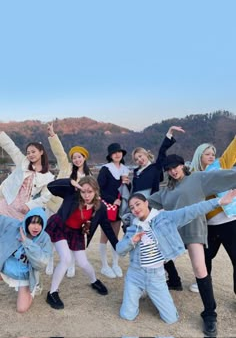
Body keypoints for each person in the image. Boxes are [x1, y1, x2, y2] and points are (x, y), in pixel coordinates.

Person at [116, 190, 236, 330]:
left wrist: (218, 202)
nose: (135, 209)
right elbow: (119, 249)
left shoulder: (164, 217)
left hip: (156, 276)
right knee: (127, 315)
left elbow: (191, 210)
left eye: (138, 204)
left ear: (146, 203)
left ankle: (148, 292)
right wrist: (131, 241)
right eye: (132, 207)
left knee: (170, 318)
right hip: (135, 275)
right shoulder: (133, 228)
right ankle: (139, 291)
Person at [148, 153, 236, 337]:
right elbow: (142, 203)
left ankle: (210, 314)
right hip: (173, 233)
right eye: (169, 169)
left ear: (182, 165)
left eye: (176, 167)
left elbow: (225, 177)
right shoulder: (165, 191)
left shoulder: (197, 178)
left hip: (193, 229)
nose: (173, 171)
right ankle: (163, 290)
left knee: (199, 268)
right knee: (153, 255)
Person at [45, 175, 118, 309]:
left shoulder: (100, 207)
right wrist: (69, 182)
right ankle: (52, 292)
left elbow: (106, 227)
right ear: (79, 190)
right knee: (66, 259)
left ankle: (94, 281)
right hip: (60, 227)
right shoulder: (71, 195)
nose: (86, 195)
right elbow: (51, 187)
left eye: (90, 191)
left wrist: (117, 246)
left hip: (76, 233)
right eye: (83, 191)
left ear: (96, 191)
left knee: (83, 263)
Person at [130, 126, 185, 291]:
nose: (139, 160)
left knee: (158, 244)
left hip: (152, 209)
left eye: (140, 156)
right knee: (144, 244)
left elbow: (162, 153)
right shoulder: (136, 173)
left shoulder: (154, 168)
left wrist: (168, 134)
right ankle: (157, 278)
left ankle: (173, 279)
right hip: (138, 211)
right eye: (136, 159)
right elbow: (134, 191)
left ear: (146, 154)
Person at [191, 134, 236, 296]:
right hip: (207, 224)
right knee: (205, 256)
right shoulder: (193, 175)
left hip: (229, 221)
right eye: (207, 154)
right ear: (199, 155)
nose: (211, 156)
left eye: (212, 154)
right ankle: (204, 279)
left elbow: (233, 150)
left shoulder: (221, 164)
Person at [45, 122, 91, 276]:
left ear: (84, 158)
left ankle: (70, 264)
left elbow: (91, 195)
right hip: (56, 206)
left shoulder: (89, 177)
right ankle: (50, 261)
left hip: (76, 211)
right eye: (74, 157)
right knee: (52, 235)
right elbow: (59, 153)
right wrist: (52, 135)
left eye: (79, 157)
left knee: (72, 237)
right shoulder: (66, 168)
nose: (77, 159)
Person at [0, 207, 52, 312]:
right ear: (27, 222)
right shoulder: (14, 226)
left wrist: (26, 242)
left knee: (21, 309)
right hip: (6, 268)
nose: (36, 227)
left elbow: (41, 263)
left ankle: (35, 286)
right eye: (33, 223)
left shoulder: (45, 239)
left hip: (25, 276)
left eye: (40, 224)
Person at [0, 131, 54, 220]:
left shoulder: (48, 176)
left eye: (33, 152)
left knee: (18, 231)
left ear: (41, 152)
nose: (30, 155)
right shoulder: (23, 163)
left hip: (23, 210)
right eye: (28, 153)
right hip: (8, 202)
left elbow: (45, 197)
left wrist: (29, 206)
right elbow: (12, 149)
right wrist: (1, 135)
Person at [97, 142, 131, 278]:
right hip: (106, 206)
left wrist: (129, 183)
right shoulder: (105, 169)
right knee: (105, 236)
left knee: (115, 236)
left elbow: (127, 190)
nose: (117, 154)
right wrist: (112, 200)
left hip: (119, 207)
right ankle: (104, 266)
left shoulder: (125, 169)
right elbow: (98, 189)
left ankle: (115, 264)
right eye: (114, 152)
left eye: (119, 152)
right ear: (110, 155)